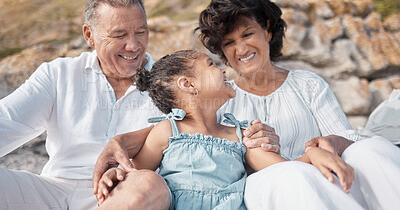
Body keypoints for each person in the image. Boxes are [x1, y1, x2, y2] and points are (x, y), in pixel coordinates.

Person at [0, 0, 278, 210]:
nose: (133, 45)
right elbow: (7, 121)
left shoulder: (167, 84)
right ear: (89, 35)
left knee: (149, 184)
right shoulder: (58, 74)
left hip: (126, 195)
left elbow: (204, 126)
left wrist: (260, 135)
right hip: (52, 189)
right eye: (119, 35)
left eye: (141, 32)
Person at [196, 0, 400, 209]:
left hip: (322, 174)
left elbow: (347, 137)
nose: (241, 49)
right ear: (222, 51)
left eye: (247, 34)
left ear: (267, 29)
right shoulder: (221, 102)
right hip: (269, 189)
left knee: (368, 149)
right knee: (294, 175)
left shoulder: (308, 84)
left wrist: (333, 142)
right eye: (229, 43)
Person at [96, 50, 359, 209]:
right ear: (188, 84)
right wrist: (118, 175)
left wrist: (311, 154)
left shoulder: (240, 135)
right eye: (211, 65)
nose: (222, 69)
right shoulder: (168, 131)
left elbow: (282, 169)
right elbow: (137, 177)